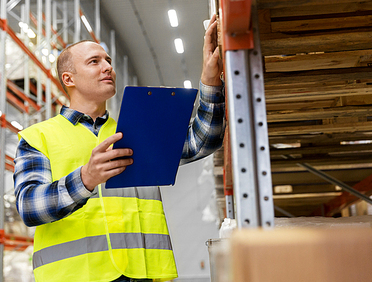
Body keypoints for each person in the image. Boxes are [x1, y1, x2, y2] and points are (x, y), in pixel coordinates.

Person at [14, 14, 225, 282]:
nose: (108, 68)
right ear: (69, 79)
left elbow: (203, 140)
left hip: (143, 274)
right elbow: (30, 207)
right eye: (94, 62)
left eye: (108, 62)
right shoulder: (38, 137)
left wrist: (210, 81)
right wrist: (85, 179)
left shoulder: (135, 130)